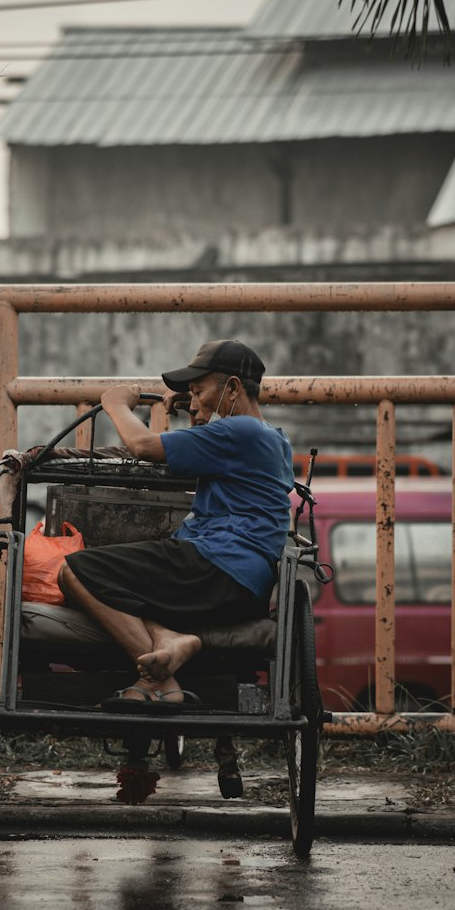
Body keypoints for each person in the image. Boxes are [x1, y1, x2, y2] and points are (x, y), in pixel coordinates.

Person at [57, 338, 294, 797]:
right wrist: (195, 413)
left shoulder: (240, 432)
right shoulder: (272, 438)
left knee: (74, 570)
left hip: (217, 562)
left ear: (231, 388)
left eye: (200, 391)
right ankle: (170, 639)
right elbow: (209, 449)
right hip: (241, 579)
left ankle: (162, 683)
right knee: (136, 582)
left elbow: (144, 445)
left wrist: (115, 404)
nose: (194, 400)